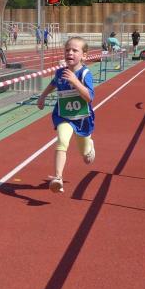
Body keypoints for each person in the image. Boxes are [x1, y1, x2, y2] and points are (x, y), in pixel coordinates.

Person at [36, 37, 95, 194]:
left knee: (86, 157)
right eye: (67, 50)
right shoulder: (60, 72)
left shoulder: (85, 74)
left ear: (84, 55)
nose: (70, 53)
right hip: (64, 116)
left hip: (81, 119)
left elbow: (89, 97)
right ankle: (58, 178)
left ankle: (89, 147)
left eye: (75, 50)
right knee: (62, 141)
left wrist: (75, 81)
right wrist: (42, 96)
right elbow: (53, 84)